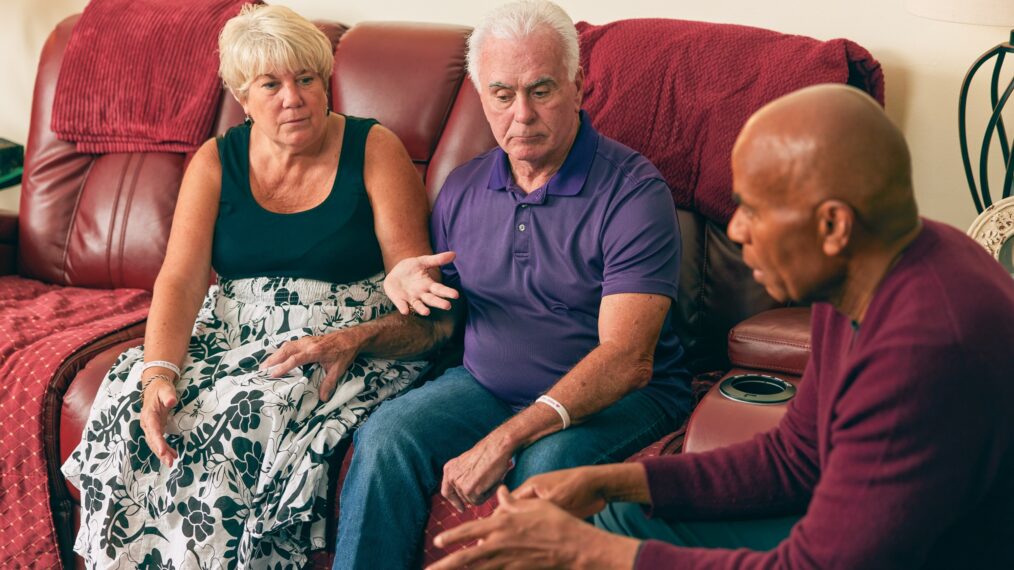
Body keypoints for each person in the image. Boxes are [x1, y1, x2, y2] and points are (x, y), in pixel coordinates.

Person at [426, 84, 1014, 569]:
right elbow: (796, 457)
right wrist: (610, 480)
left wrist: (588, 552)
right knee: (621, 513)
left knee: (601, 544)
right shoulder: (866, 271)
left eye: (754, 211)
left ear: (833, 226)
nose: (735, 232)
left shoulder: (928, 348)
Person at [61, 5, 445, 568]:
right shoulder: (217, 160)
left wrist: (360, 332)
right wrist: (160, 372)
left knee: (243, 413)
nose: (294, 97)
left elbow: (414, 295)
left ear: (326, 83)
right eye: (271, 84)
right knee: (127, 403)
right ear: (244, 98)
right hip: (231, 330)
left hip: (335, 339)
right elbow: (182, 277)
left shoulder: (373, 149)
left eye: (307, 79)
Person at [332, 1, 693, 568]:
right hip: (486, 385)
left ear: (577, 87)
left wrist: (507, 438)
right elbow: (442, 322)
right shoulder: (464, 187)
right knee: (385, 437)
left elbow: (628, 360)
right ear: (482, 96)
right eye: (502, 94)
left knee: (543, 470)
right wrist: (362, 332)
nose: (521, 114)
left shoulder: (633, 193)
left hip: (622, 398)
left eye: (541, 90)